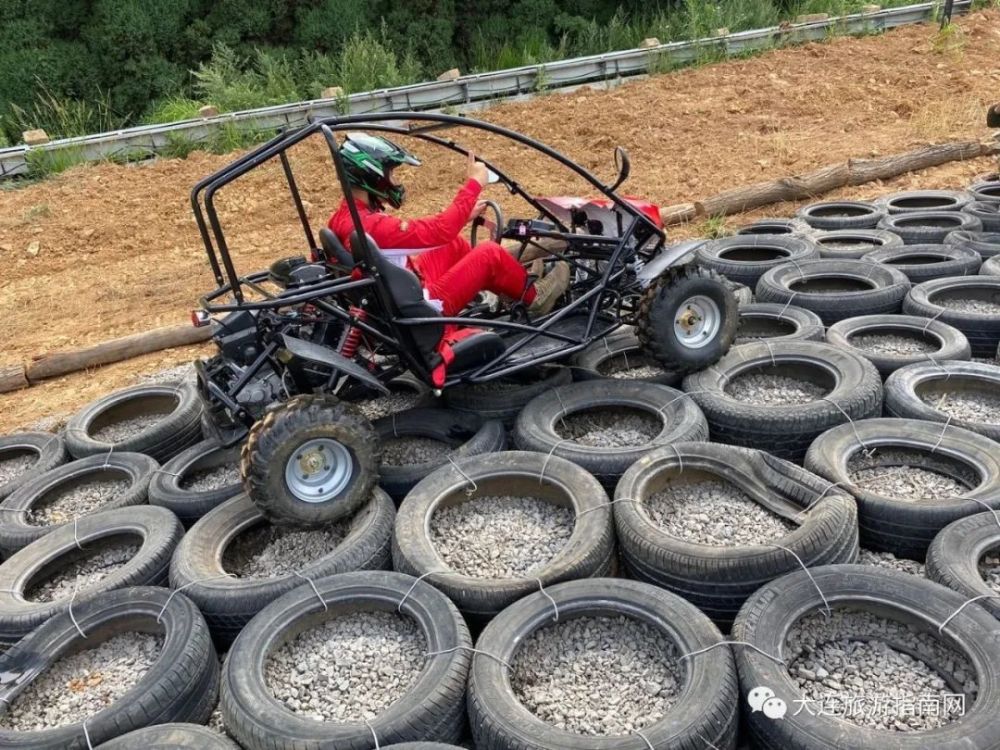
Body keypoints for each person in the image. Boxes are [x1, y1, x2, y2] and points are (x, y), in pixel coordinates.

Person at [328, 133, 569, 317]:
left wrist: (462, 216)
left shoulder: (346, 217)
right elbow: (438, 230)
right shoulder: (370, 227)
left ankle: (511, 289)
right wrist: (474, 183)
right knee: (489, 254)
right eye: (392, 174)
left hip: (402, 294)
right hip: (423, 311)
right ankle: (535, 298)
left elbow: (432, 234)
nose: (396, 181)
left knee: (453, 243)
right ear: (372, 176)